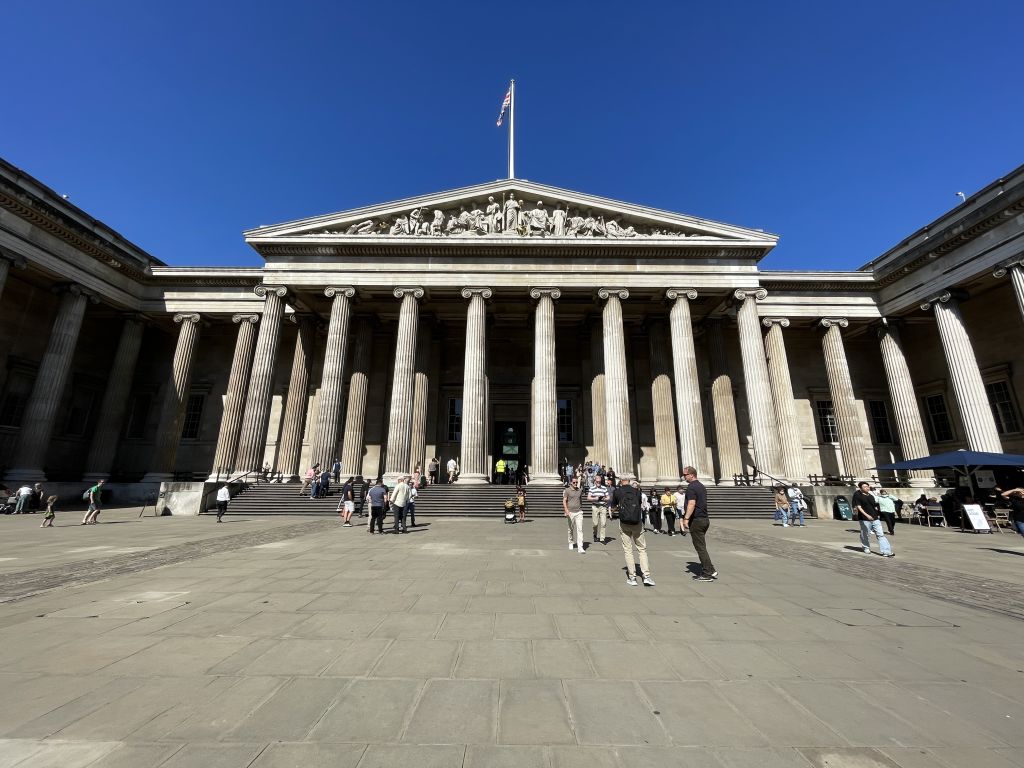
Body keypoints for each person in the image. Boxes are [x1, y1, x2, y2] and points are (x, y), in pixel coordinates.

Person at [611, 476, 654, 586]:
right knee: (642, 549)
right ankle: (646, 576)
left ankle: (632, 577)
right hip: (637, 522)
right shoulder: (637, 491)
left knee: (628, 550)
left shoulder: (617, 492)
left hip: (624, 522)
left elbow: (613, 506)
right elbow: (639, 504)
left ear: (621, 481)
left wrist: (615, 510)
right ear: (629, 482)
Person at [679, 466, 717, 580]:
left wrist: (686, 519)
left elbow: (691, 503)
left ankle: (708, 573)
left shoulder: (691, 487)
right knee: (702, 546)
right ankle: (710, 569)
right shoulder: (701, 486)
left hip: (697, 520)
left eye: (685, 474)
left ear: (692, 475)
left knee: (700, 547)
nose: (684, 476)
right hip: (705, 519)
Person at [852, 481, 894, 557]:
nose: (867, 488)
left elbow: (874, 505)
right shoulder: (857, 495)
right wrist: (867, 515)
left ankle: (886, 551)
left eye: (868, 486)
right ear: (860, 488)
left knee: (880, 534)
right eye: (865, 487)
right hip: (864, 518)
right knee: (865, 534)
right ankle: (866, 547)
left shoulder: (871, 496)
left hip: (875, 518)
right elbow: (859, 507)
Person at [563, 476, 585, 553]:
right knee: (570, 529)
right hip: (570, 512)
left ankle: (580, 546)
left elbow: (580, 500)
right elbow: (564, 500)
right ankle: (571, 542)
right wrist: (566, 510)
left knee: (580, 529)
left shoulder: (579, 490)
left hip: (579, 512)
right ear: (571, 483)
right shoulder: (567, 490)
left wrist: (580, 507)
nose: (575, 483)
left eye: (576, 482)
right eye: (574, 482)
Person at [587, 474, 609, 544]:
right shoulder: (592, 488)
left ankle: (602, 538)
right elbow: (588, 498)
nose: (598, 483)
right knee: (595, 523)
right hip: (595, 506)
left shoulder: (604, 488)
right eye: (597, 481)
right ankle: (595, 534)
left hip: (603, 506)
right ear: (595, 481)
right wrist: (595, 498)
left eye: (599, 481)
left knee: (603, 523)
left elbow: (608, 497)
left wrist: (604, 498)